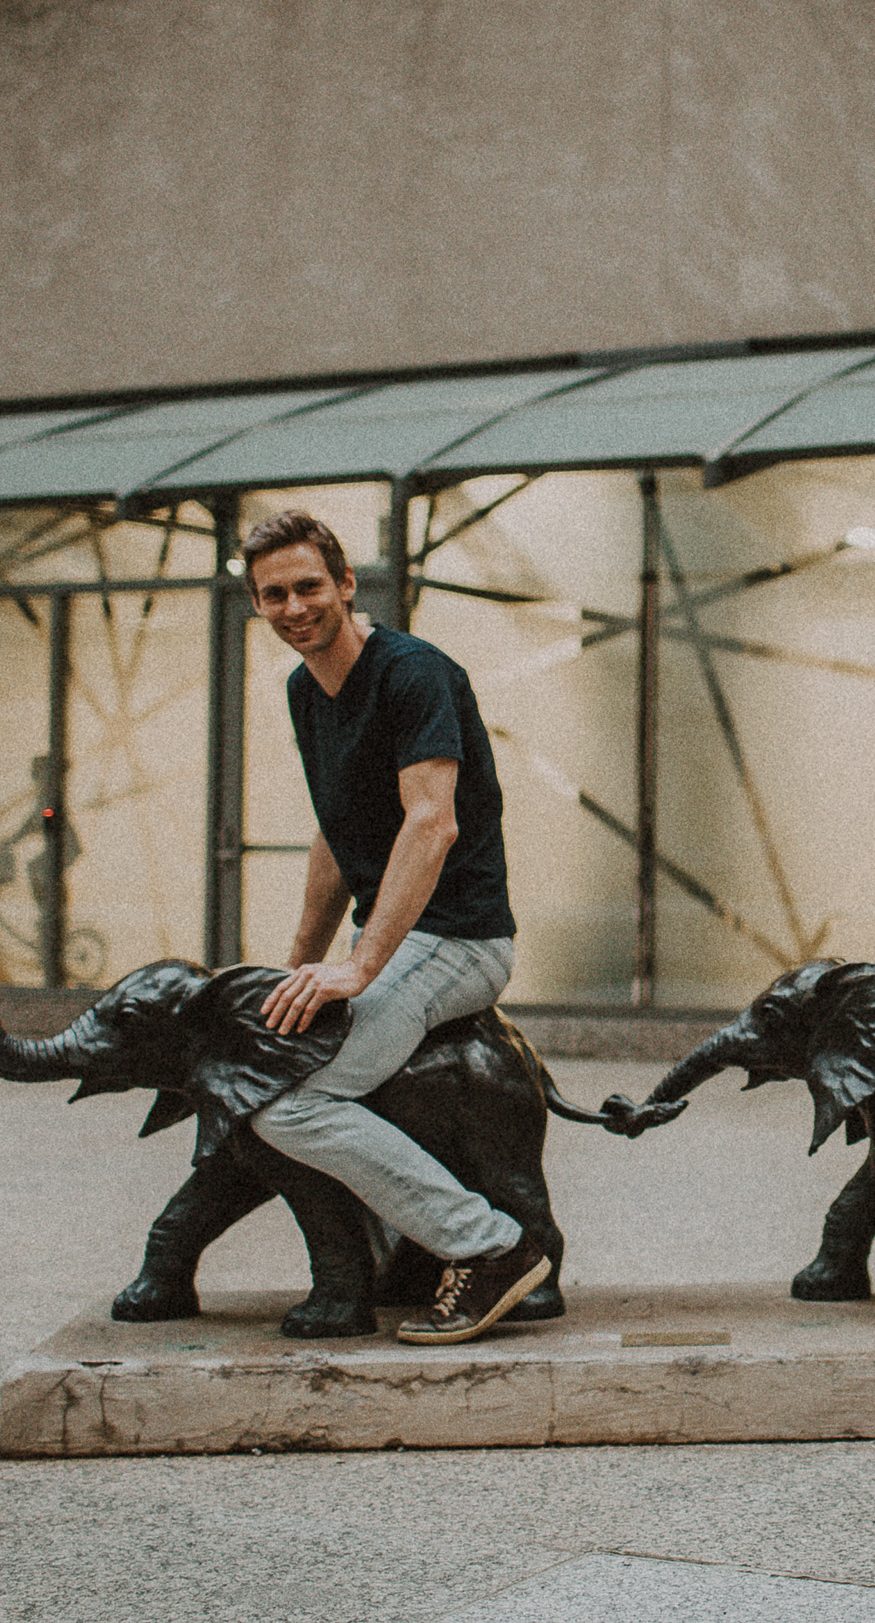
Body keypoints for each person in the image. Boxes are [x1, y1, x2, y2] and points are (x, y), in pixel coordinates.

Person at [239, 510, 545, 1346]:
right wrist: (296, 964)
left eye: (309, 586)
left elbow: (430, 823)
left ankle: (487, 1248)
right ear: (258, 607)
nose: (295, 605)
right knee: (278, 1055)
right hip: (390, 940)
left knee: (292, 1104)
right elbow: (336, 841)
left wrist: (358, 967)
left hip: (460, 939)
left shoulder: (414, 673)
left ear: (345, 584)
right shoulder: (306, 691)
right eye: (275, 594)